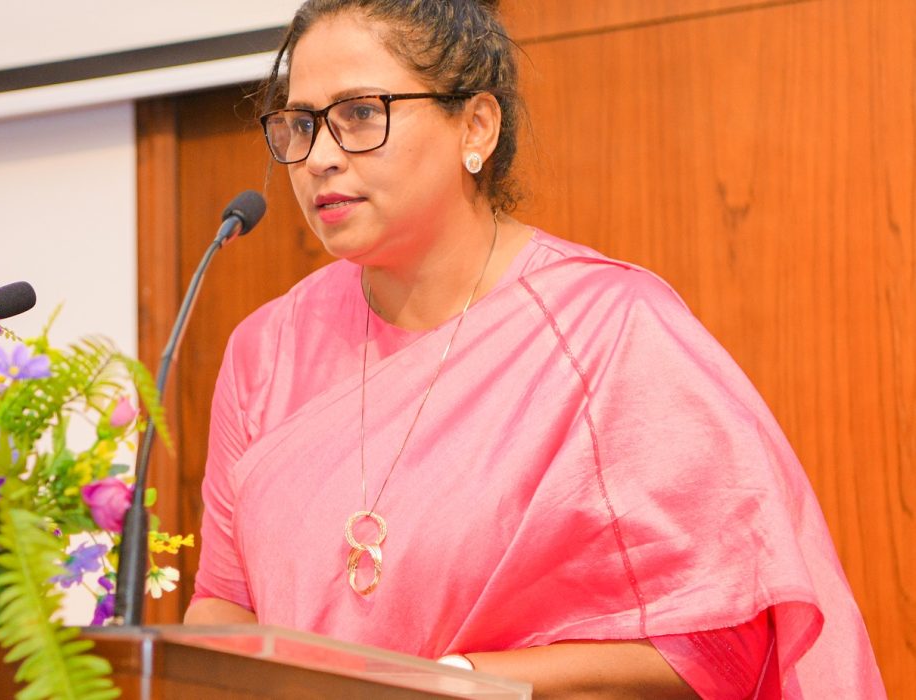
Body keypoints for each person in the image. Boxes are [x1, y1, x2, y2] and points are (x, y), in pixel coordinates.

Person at [181, 1, 885, 697]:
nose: (319, 157)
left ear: (476, 126)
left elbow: (721, 642)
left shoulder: (609, 330)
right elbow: (224, 604)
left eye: (361, 113)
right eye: (300, 124)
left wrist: (457, 685)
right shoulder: (266, 349)